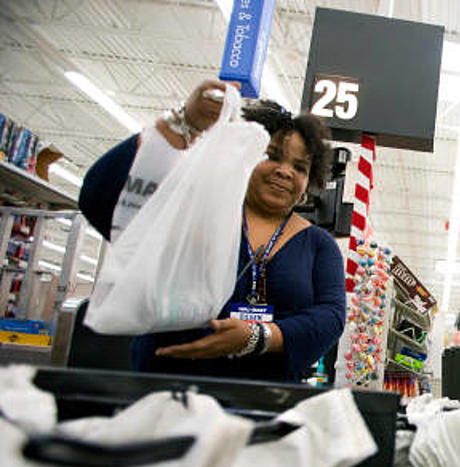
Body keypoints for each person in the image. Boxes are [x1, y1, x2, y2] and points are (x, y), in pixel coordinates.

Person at [78, 80, 346, 383]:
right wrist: (180, 125)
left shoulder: (319, 245)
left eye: (300, 167)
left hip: (265, 404)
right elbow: (99, 199)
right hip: (168, 394)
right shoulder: (194, 215)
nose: (285, 171)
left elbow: (330, 316)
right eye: (271, 156)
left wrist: (259, 337)